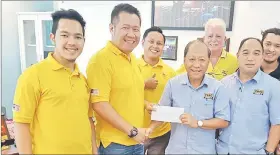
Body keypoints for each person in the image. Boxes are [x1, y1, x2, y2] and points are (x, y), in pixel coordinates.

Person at [13, 9, 97, 154]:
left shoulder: (82, 79)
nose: (72, 42)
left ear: (84, 40)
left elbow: (88, 120)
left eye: (78, 37)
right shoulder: (32, 75)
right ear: (53, 37)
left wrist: (95, 152)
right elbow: (21, 124)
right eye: (65, 35)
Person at [147, 40, 230, 154]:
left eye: (202, 60)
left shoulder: (217, 88)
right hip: (175, 151)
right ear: (184, 60)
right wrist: (151, 122)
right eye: (192, 59)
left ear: (208, 62)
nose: (196, 65)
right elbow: (162, 114)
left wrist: (198, 123)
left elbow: (223, 121)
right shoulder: (173, 84)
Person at [86, 3, 148, 154]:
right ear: (111, 28)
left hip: (137, 140)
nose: (132, 34)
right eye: (125, 28)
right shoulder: (101, 60)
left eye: (136, 29)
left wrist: (147, 104)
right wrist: (132, 131)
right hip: (115, 145)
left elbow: (127, 94)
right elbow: (99, 104)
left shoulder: (133, 59)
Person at [217, 37, 280, 155]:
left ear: (262, 57)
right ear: (238, 55)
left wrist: (269, 151)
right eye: (245, 53)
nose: (250, 58)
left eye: (256, 53)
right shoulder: (224, 83)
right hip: (223, 150)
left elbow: (278, 123)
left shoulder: (274, 86)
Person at [139, 26, 176, 154]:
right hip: (136, 129)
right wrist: (143, 84)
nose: (155, 46)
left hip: (161, 132)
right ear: (143, 42)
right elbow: (123, 93)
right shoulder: (131, 67)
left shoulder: (170, 72)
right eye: (151, 41)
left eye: (159, 43)